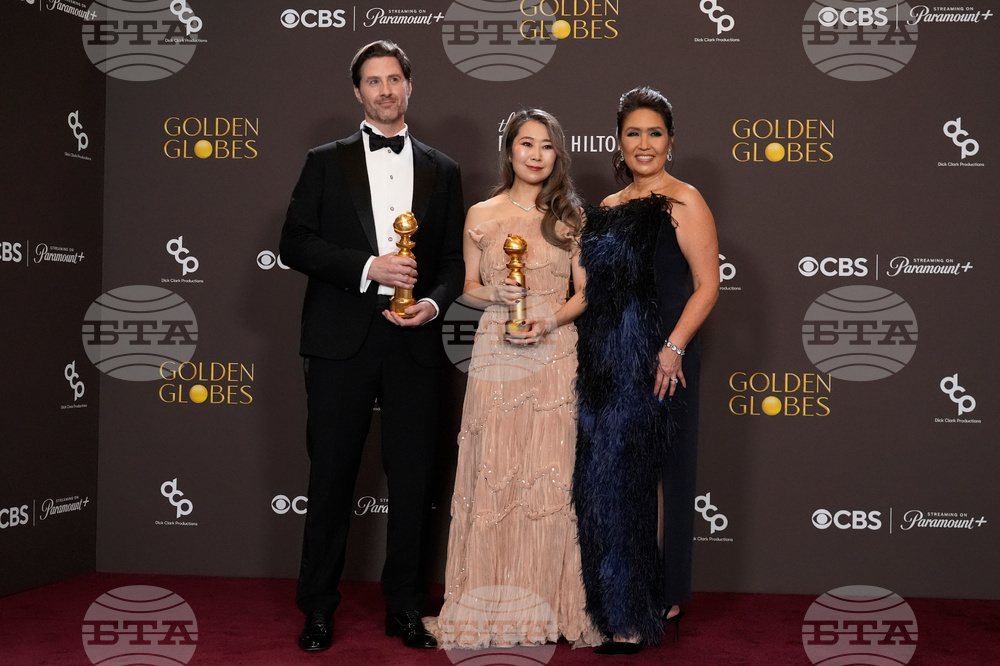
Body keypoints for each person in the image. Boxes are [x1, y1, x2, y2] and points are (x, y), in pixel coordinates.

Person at [279, 40, 465, 652]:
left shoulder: (444, 168)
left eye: (394, 80)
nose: (385, 91)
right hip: (340, 341)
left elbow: (451, 264)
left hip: (416, 344)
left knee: (414, 481)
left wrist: (433, 304)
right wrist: (368, 268)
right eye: (373, 81)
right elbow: (296, 243)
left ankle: (406, 607)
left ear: (410, 87)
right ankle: (318, 608)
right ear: (357, 92)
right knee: (330, 476)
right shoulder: (323, 161)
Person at [424, 109, 601, 649]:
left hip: (555, 354)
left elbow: (587, 294)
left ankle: (550, 604)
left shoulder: (572, 217)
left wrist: (549, 318)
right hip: (497, 351)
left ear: (557, 155)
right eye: (526, 143)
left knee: (551, 479)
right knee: (497, 474)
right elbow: (470, 284)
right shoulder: (481, 212)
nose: (535, 154)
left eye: (546, 146)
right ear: (510, 150)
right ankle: (489, 603)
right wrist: (493, 298)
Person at [572, 87, 719, 655]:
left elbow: (708, 285)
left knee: (652, 482)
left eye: (654, 133)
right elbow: (590, 293)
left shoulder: (685, 201)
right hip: (606, 364)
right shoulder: (606, 209)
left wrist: (674, 346)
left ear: (671, 142)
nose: (644, 144)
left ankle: (654, 602)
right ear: (618, 142)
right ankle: (617, 601)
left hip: (661, 362)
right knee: (607, 484)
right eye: (633, 133)